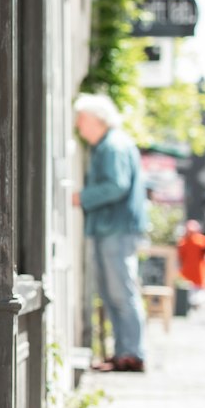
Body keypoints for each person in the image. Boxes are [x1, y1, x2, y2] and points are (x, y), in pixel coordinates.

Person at [72, 93, 148, 372]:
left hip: (115, 228)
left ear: (96, 120)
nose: (79, 126)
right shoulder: (109, 144)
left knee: (120, 291)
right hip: (111, 227)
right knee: (113, 291)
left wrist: (82, 197)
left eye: (81, 119)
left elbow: (117, 185)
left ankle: (132, 354)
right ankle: (124, 353)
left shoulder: (113, 146)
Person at [177, 218, 205, 304]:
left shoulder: (202, 241)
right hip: (188, 275)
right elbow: (180, 258)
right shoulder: (183, 242)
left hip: (199, 274)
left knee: (198, 298)